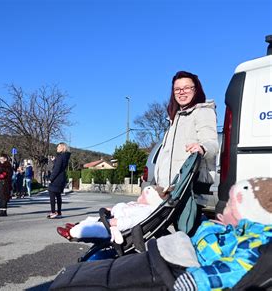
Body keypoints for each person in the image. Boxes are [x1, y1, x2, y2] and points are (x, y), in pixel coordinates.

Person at [50, 178, 272, 291]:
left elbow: (228, 273)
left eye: (231, 208)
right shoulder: (239, 232)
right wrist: (216, 226)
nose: (223, 210)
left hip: (178, 270)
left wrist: (190, 282)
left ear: (248, 211)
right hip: (177, 253)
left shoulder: (256, 244)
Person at [155, 71, 218, 231]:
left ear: (196, 90)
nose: (182, 92)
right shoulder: (176, 118)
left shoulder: (203, 112)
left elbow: (212, 143)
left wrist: (202, 148)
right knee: (174, 237)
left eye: (186, 88)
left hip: (189, 187)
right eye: (178, 89)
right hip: (172, 189)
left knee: (187, 234)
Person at [56, 185, 171, 243]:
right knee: (91, 219)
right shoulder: (139, 205)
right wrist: (112, 209)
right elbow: (125, 207)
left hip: (114, 229)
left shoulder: (145, 211)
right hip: (111, 218)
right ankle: (77, 226)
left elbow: (130, 221)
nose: (139, 198)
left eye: (142, 197)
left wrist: (116, 222)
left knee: (94, 228)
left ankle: (72, 232)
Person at [47, 143, 71, 219]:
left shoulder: (60, 157)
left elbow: (56, 169)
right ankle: (59, 212)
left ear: (62, 148)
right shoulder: (65, 156)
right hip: (62, 178)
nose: (57, 148)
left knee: (52, 194)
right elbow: (60, 167)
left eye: (58, 147)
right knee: (58, 195)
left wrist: (51, 179)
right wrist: (55, 161)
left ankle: (53, 212)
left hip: (57, 178)